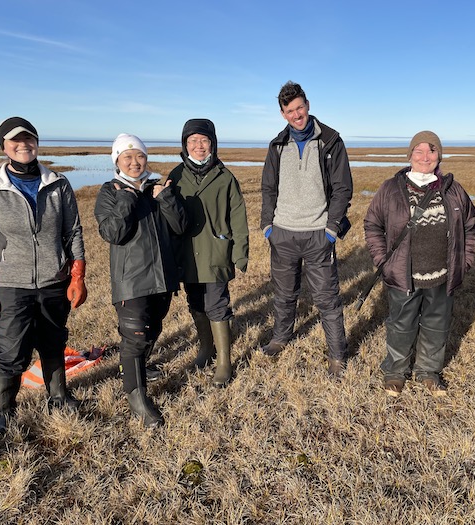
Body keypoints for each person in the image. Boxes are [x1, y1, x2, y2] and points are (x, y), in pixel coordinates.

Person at [0, 116, 87, 433]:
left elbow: (73, 231)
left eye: (29, 139)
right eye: (15, 141)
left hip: (54, 280)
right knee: (11, 350)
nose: (23, 145)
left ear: (37, 142)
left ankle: (59, 398)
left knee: (53, 341)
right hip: (11, 283)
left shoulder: (58, 184)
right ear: (4, 147)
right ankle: (6, 412)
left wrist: (77, 274)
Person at [363, 131, 475, 396]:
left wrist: (465, 261)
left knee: (437, 324)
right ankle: (395, 372)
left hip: (442, 274)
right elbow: (373, 225)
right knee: (401, 324)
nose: (425, 157)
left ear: (439, 156)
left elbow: (471, 226)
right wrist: (384, 260)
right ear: (410, 155)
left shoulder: (453, 189)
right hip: (404, 274)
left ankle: (428, 371)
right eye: (419, 151)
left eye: (432, 151)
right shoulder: (391, 188)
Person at [260, 81, 353, 377]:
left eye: (300, 107)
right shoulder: (277, 145)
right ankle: (281, 337)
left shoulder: (331, 141)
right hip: (283, 233)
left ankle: (337, 356)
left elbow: (343, 189)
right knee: (284, 294)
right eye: (290, 110)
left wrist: (331, 229)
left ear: (308, 105)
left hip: (317, 235)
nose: (296, 114)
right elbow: (268, 188)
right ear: (283, 114)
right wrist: (267, 226)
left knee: (327, 298)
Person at [94, 134, 187, 427]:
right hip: (131, 279)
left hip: (162, 276)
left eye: (140, 157)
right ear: (117, 161)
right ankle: (137, 398)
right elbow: (113, 233)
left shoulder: (157, 187)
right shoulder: (110, 191)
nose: (135, 163)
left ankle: (139, 369)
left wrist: (166, 197)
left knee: (154, 327)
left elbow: (180, 226)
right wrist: (126, 199)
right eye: (127, 157)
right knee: (134, 337)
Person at [169, 119, 249, 387]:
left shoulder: (225, 177)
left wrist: (240, 252)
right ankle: (206, 349)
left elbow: (238, 216)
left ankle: (224, 362)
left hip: (216, 251)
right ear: (185, 145)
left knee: (217, 303)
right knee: (195, 302)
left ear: (212, 143)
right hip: (187, 254)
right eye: (193, 141)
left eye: (203, 140)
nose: (199, 146)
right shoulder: (176, 176)